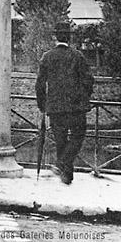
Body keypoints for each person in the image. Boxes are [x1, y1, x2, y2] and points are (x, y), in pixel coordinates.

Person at [36, 22, 94, 185]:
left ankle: (64, 170)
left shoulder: (47, 56)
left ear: (55, 37)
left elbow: (40, 84)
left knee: (61, 139)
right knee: (78, 136)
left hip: (55, 107)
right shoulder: (78, 56)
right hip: (76, 107)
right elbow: (88, 80)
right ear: (69, 37)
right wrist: (83, 97)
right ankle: (65, 170)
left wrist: (42, 104)